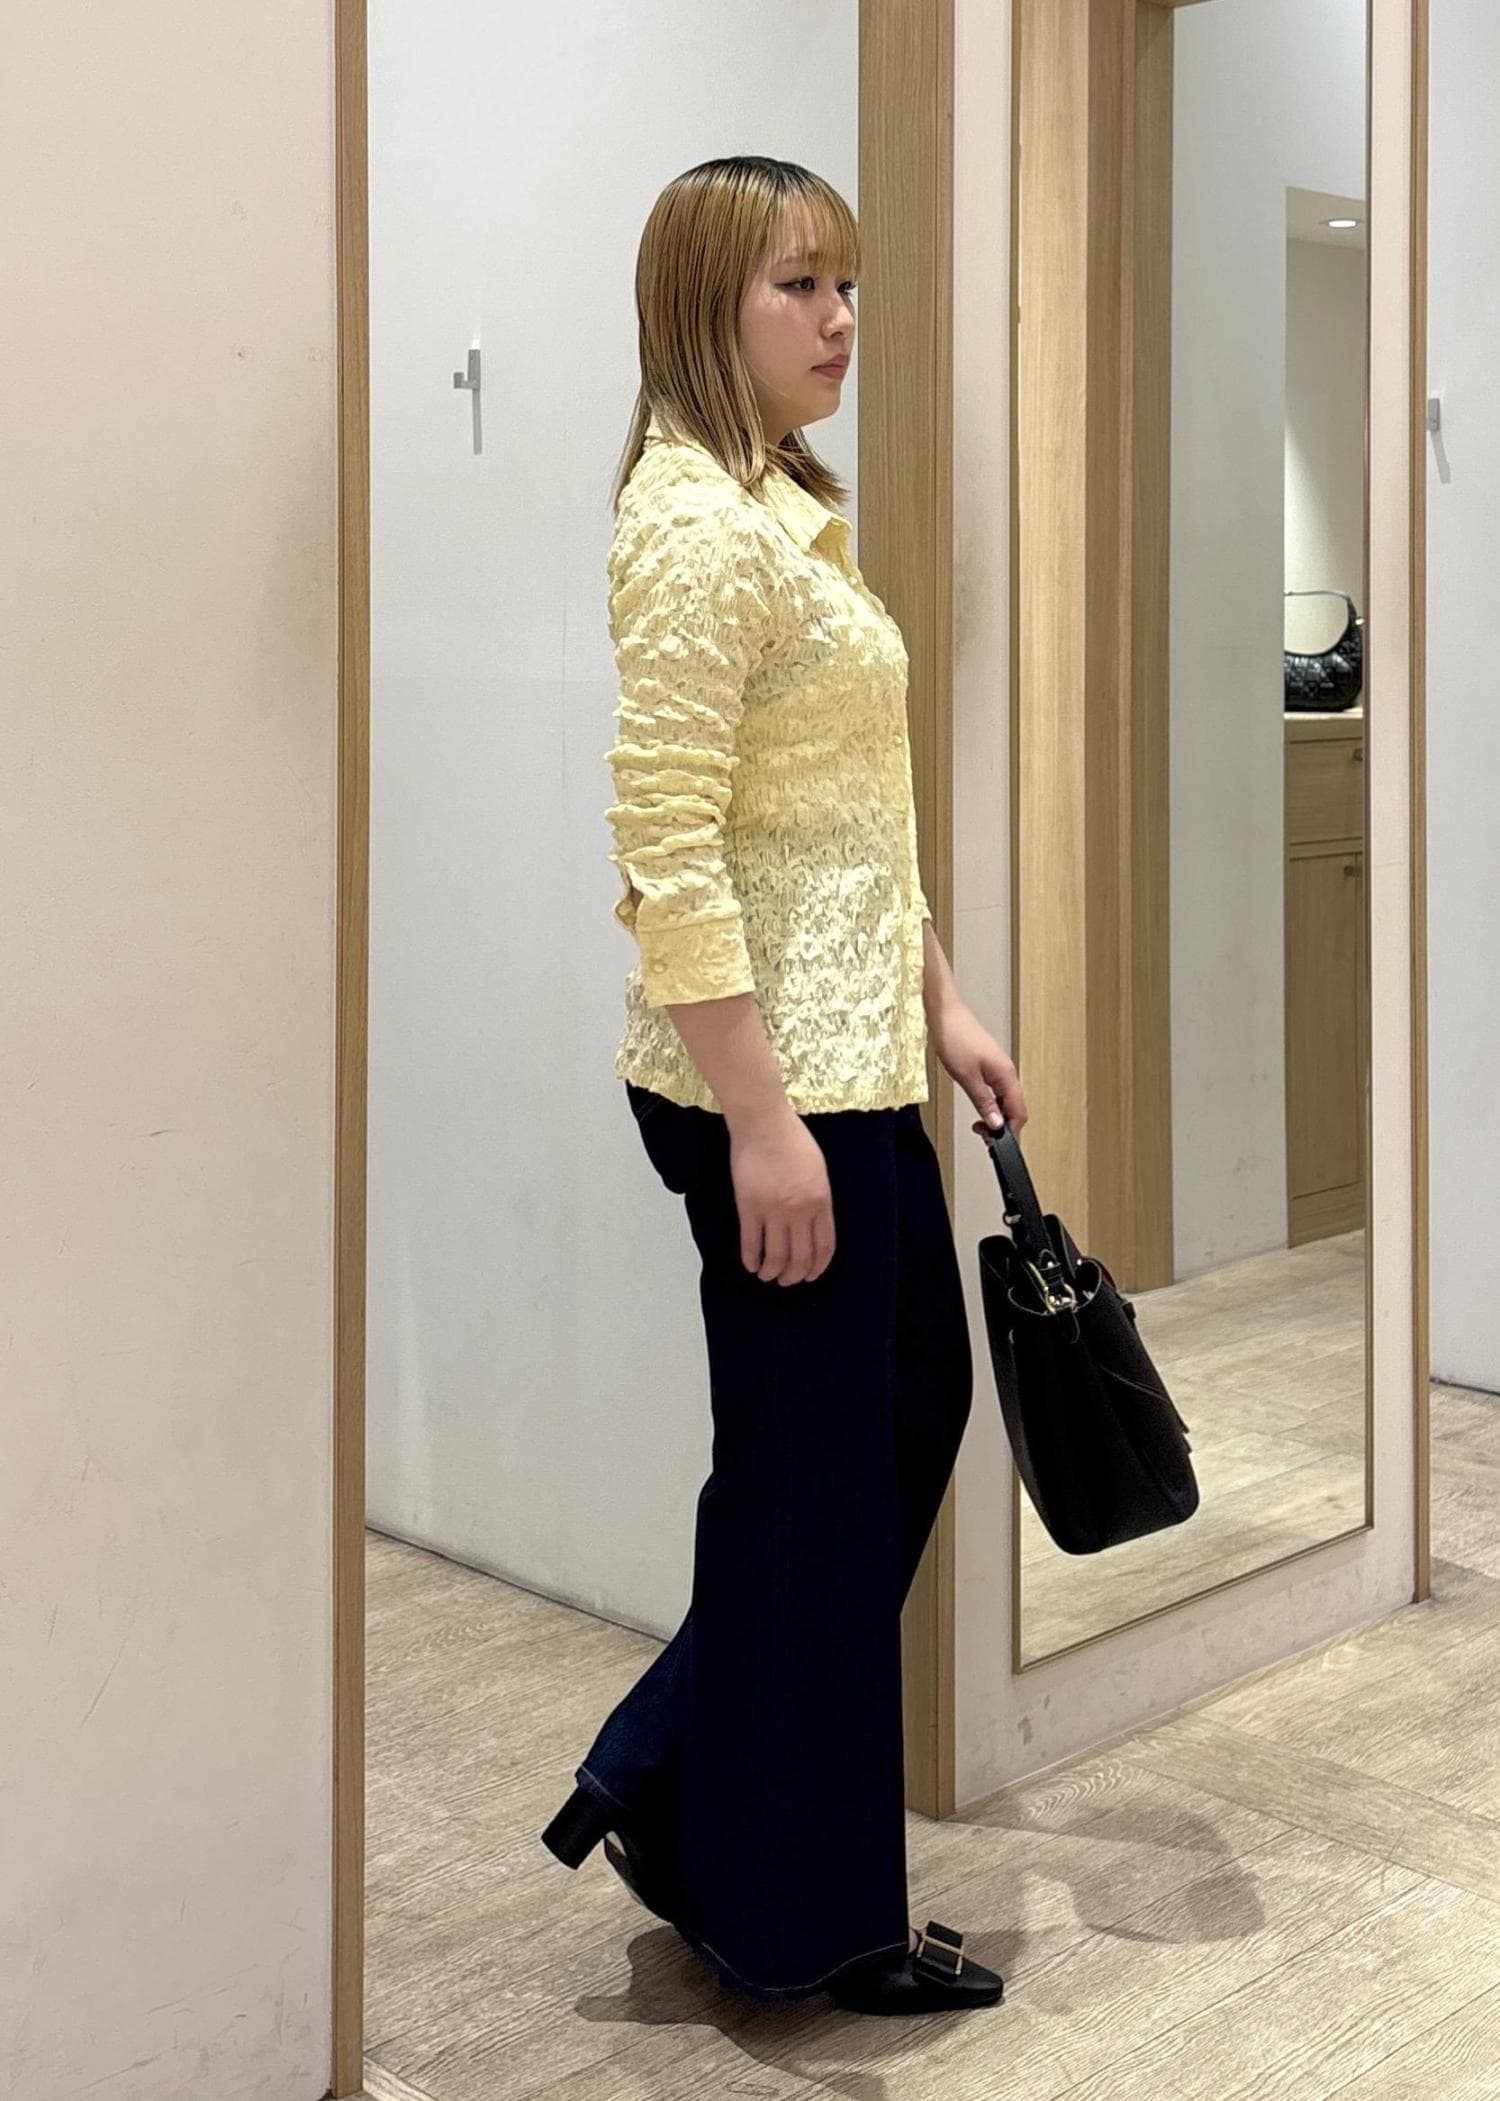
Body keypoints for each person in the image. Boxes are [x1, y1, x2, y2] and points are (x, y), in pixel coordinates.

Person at [541, 155, 1027, 2016]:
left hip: (849, 1052)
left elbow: (840, 823)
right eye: (799, 287)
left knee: (884, 1424)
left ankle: (670, 1786)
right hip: (767, 1082)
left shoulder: (782, 500)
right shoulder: (690, 526)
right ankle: (806, 1919)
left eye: (845, 285)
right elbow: (667, 846)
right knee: (815, 1482)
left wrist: (943, 1002)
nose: (840, 320)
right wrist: (756, 1114)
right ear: (704, 307)